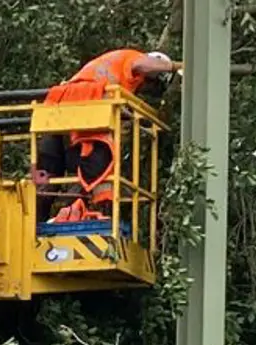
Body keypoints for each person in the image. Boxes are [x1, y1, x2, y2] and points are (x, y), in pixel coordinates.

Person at [34, 49, 179, 223]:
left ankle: (41, 221)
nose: (147, 90)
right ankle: (91, 211)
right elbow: (143, 65)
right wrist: (177, 66)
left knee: (52, 172)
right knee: (99, 161)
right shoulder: (133, 59)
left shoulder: (117, 79)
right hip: (84, 102)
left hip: (60, 106)